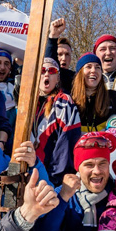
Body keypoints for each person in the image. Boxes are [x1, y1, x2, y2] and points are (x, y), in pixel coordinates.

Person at [32, 57, 82, 185]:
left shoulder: (64, 102)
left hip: (51, 178)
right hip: (29, 175)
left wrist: (53, 180)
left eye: (52, 70)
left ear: (58, 78)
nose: (47, 74)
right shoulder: (27, 104)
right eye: (42, 70)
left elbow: (66, 143)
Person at [71, 53, 116, 133]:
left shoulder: (114, 98)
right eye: (88, 67)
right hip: (78, 145)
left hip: (109, 145)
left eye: (97, 67)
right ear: (80, 73)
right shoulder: (70, 101)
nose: (93, 70)